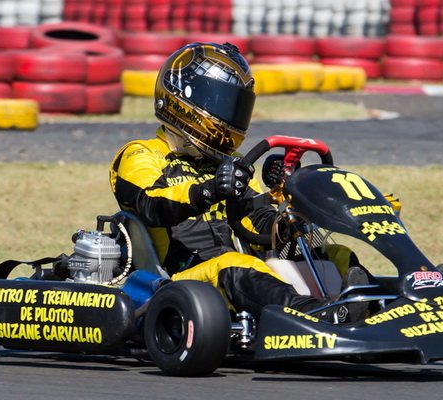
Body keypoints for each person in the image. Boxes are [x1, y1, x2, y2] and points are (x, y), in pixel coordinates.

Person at [109, 42, 362, 322]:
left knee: (335, 255)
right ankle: (311, 316)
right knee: (235, 264)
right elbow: (151, 205)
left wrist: (286, 203)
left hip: (238, 271)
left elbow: (256, 224)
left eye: (235, 106)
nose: (229, 115)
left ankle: (370, 312)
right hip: (177, 279)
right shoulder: (140, 154)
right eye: (221, 103)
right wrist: (211, 190)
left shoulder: (228, 162)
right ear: (185, 99)